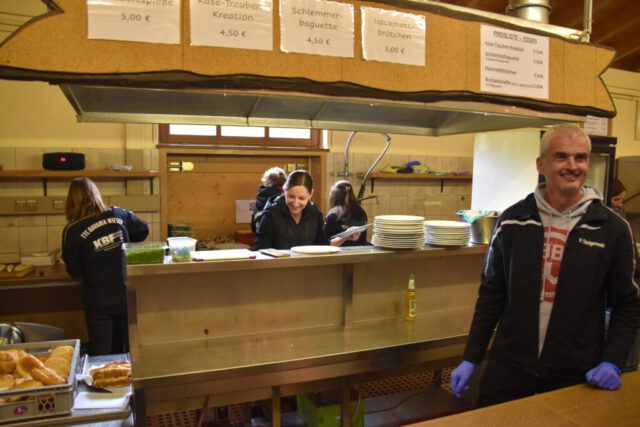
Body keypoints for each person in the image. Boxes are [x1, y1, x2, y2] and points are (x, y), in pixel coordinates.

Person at [450, 124, 640, 406]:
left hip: (576, 373)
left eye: (580, 157)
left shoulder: (612, 229)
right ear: (541, 165)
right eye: (561, 156)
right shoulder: (512, 221)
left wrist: (612, 361)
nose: (572, 166)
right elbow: (491, 295)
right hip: (509, 369)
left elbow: (628, 304)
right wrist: (471, 356)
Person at [62, 177, 149, 355]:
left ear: (71, 201)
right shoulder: (117, 213)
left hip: (98, 302)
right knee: (134, 352)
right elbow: (143, 230)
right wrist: (120, 240)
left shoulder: (72, 230)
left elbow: (74, 270)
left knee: (102, 355)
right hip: (126, 297)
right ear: (96, 195)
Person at [252, 170, 355, 250]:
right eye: (291, 196)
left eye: (301, 198)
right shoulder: (271, 215)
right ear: (284, 190)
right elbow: (260, 250)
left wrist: (345, 236)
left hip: (307, 268)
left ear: (311, 194)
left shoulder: (315, 213)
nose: (295, 203)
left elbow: (322, 245)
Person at [324, 180, 369, 246]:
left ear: (333, 197)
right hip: (361, 251)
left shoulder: (333, 215)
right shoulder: (362, 212)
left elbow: (325, 244)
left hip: (339, 252)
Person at [251, 167, 287, 234]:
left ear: (265, 182)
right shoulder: (283, 201)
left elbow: (253, 227)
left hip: (260, 237)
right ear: (284, 183)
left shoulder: (259, 200)